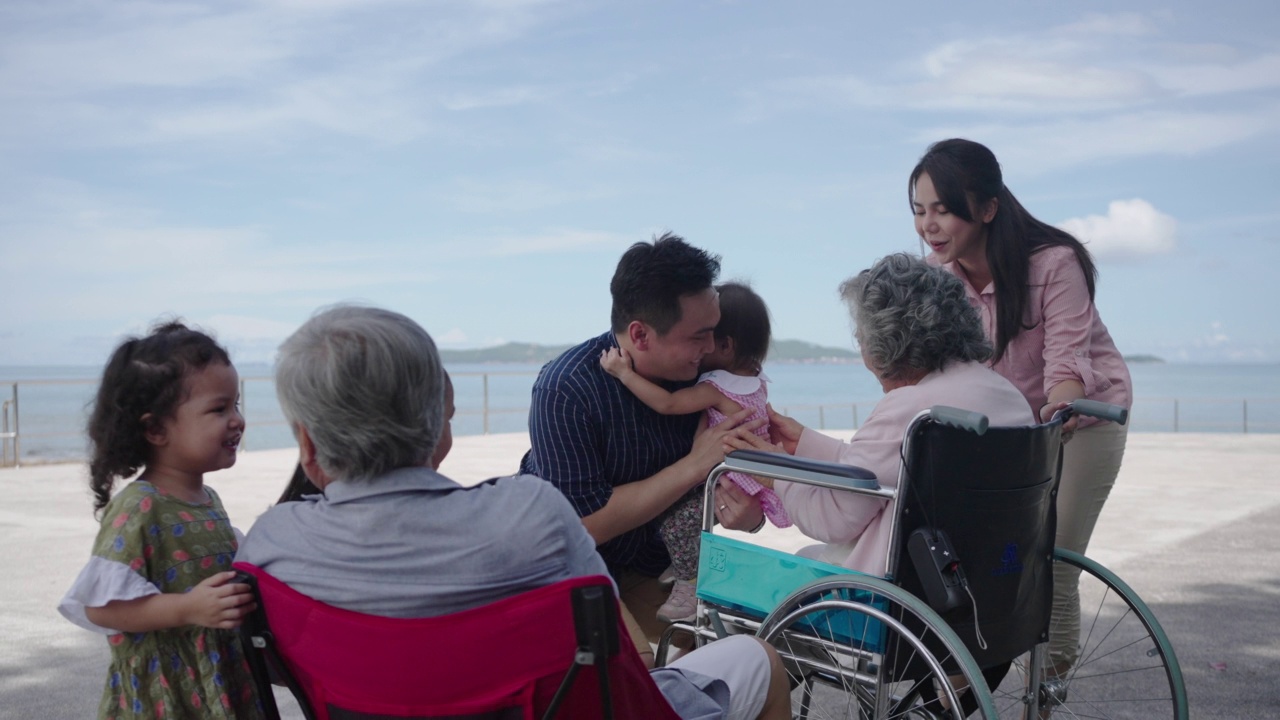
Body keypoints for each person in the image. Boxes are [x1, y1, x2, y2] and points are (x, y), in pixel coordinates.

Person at [235, 305, 790, 720]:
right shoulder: (535, 518)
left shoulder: (269, 549)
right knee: (756, 659)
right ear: (440, 425)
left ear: (308, 445)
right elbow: (615, 671)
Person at [909, 138, 1132, 676]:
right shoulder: (940, 279)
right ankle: (965, 682)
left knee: (1051, 564)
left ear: (987, 208)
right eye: (919, 211)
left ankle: (1046, 697)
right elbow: (935, 367)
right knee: (976, 556)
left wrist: (1057, 410)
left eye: (943, 209)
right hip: (1005, 425)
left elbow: (1065, 366)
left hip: (1084, 420)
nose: (929, 226)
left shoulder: (1053, 263)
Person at [721, 254, 1034, 577]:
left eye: (861, 338)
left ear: (889, 342)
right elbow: (880, 469)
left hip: (898, 590)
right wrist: (804, 443)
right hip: (991, 580)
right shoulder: (1009, 397)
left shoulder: (912, 409)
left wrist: (778, 474)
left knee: (777, 571)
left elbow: (833, 519)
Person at [519, 233, 761, 641]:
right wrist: (695, 464)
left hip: (662, 568)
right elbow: (586, 524)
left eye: (715, 332)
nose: (713, 346)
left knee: (758, 650)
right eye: (698, 336)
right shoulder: (566, 389)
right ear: (641, 335)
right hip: (572, 566)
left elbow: (754, 468)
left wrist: (750, 515)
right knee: (632, 669)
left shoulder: (707, 378)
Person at [58, 322, 263, 720]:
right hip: (165, 695)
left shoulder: (208, 500)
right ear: (155, 429)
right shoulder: (139, 507)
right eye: (219, 409)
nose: (236, 419)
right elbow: (102, 608)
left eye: (236, 405)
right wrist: (186, 608)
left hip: (219, 679)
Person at [599, 281, 789, 623]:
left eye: (707, 337)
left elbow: (668, 403)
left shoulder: (716, 387)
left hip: (722, 480)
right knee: (688, 522)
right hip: (744, 482)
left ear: (726, 345)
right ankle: (685, 565)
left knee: (676, 523)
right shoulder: (757, 383)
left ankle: (688, 585)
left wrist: (623, 373)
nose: (701, 348)